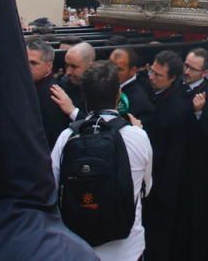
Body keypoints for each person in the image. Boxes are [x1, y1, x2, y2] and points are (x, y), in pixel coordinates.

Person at [51, 60, 152, 261]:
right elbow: (146, 188)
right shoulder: (138, 137)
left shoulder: (67, 137)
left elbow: (53, 187)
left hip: (80, 247)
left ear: (85, 97)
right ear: (118, 95)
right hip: (126, 250)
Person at [176, 47, 208, 261]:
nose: (186, 71)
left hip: (199, 167)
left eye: (191, 69)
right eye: (185, 65)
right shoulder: (179, 85)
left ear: (204, 73)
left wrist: (199, 113)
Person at [141, 50, 188, 261]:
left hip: (164, 184)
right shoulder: (158, 93)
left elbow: (174, 155)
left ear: (172, 78)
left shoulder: (176, 107)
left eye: (158, 75)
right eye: (152, 71)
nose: (151, 77)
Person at [27, 39, 70, 149]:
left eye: (33, 63)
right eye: (24, 61)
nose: (27, 67)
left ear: (49, 66)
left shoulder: (53, 94)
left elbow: (51, 138)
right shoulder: (29, 85)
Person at [110, 47, 154, 123]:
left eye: (119, 69)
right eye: (110, 66)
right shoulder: (108, 84)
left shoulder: (139, 102)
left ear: (133, 71)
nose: (112, 72)